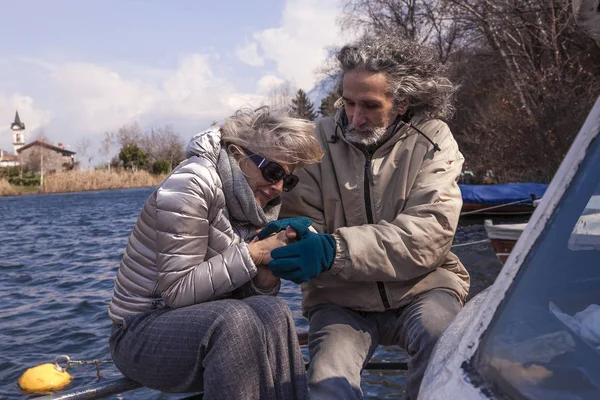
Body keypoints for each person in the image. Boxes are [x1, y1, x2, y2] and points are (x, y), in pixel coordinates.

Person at [260, 33, 471, 400]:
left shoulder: (434, 139)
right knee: (326, 382)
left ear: (402, 102)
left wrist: (334, 250)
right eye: (348, 102)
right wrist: (293, 234)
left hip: (423, 287)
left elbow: (429, 234)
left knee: (445, 344)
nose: (355, 117)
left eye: (370, 105)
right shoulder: (316, 140)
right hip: (340, 300)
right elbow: (305, 223)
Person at [107, 107, 323, 399]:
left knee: (275, 312)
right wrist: (254, 253)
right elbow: (177, 291)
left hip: (204, 325)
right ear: (237, 154)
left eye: (288, 179)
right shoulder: (192, 183)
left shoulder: (249, 199)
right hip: (138, 333)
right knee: (233, 320)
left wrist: (267, 274)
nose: (278, 187)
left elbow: (243, 299)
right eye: (273, 172)